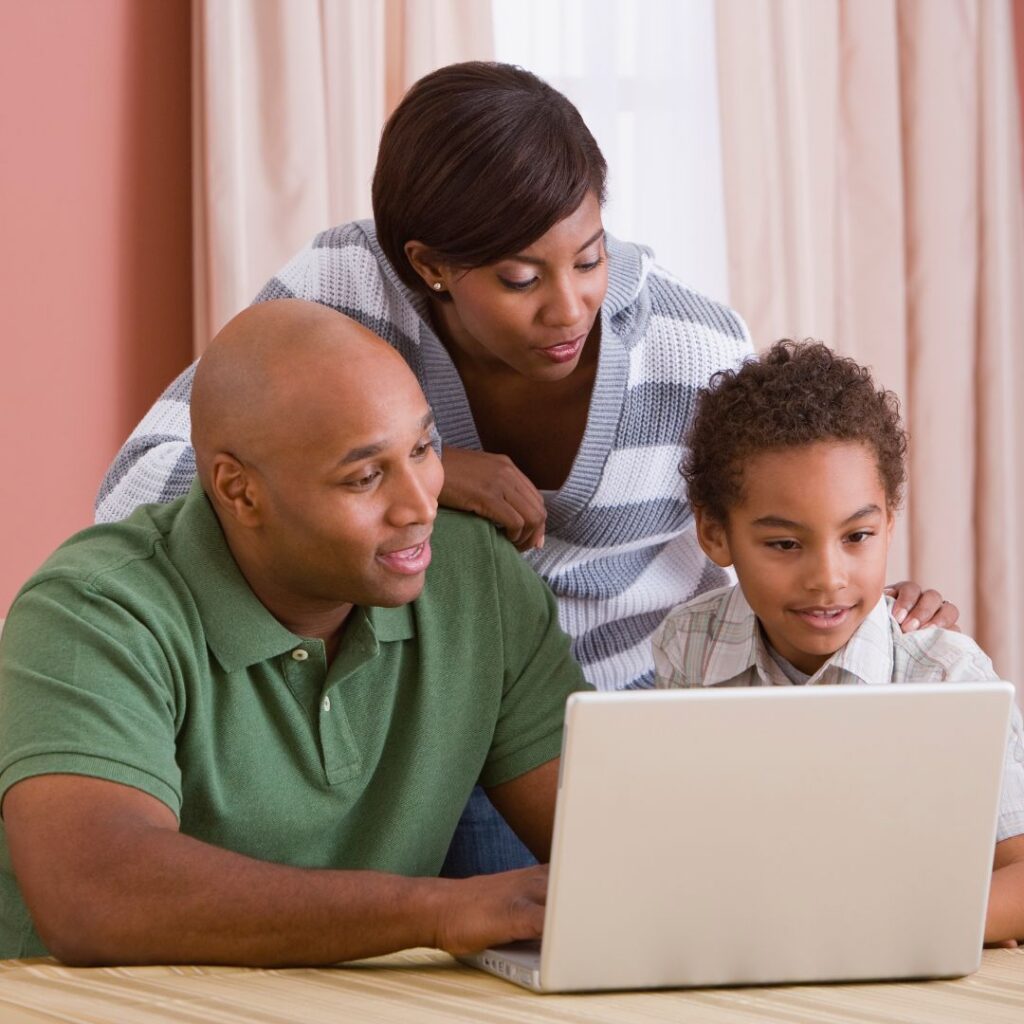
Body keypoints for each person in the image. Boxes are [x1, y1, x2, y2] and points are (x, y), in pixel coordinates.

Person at [92, 62, 956, 872]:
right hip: (414, 720)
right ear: (428, 266)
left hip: (614, 734)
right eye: (518, 279)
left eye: (590, 257)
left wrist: (868, 607)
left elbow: (784, 529)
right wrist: (435, 471)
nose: (569, 304)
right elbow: (142, 493)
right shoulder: (346, 293)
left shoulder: (689, 353)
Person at [0, 300, 588, 964]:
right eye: (365, 477)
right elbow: (93, 898)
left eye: (423, 449)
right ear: (239, 490)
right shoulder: (92, 611)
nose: (422, 504)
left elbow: (604, 841)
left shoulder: (478, 577)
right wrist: (436, 910)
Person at [651, 340, 1024, 946]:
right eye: (784, 544)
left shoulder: (944, 673)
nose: (828, 576)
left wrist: (865, 926)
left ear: (890, 523)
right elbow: (680, 844)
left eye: (858, 535)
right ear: (715, 535)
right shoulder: (688, 645)